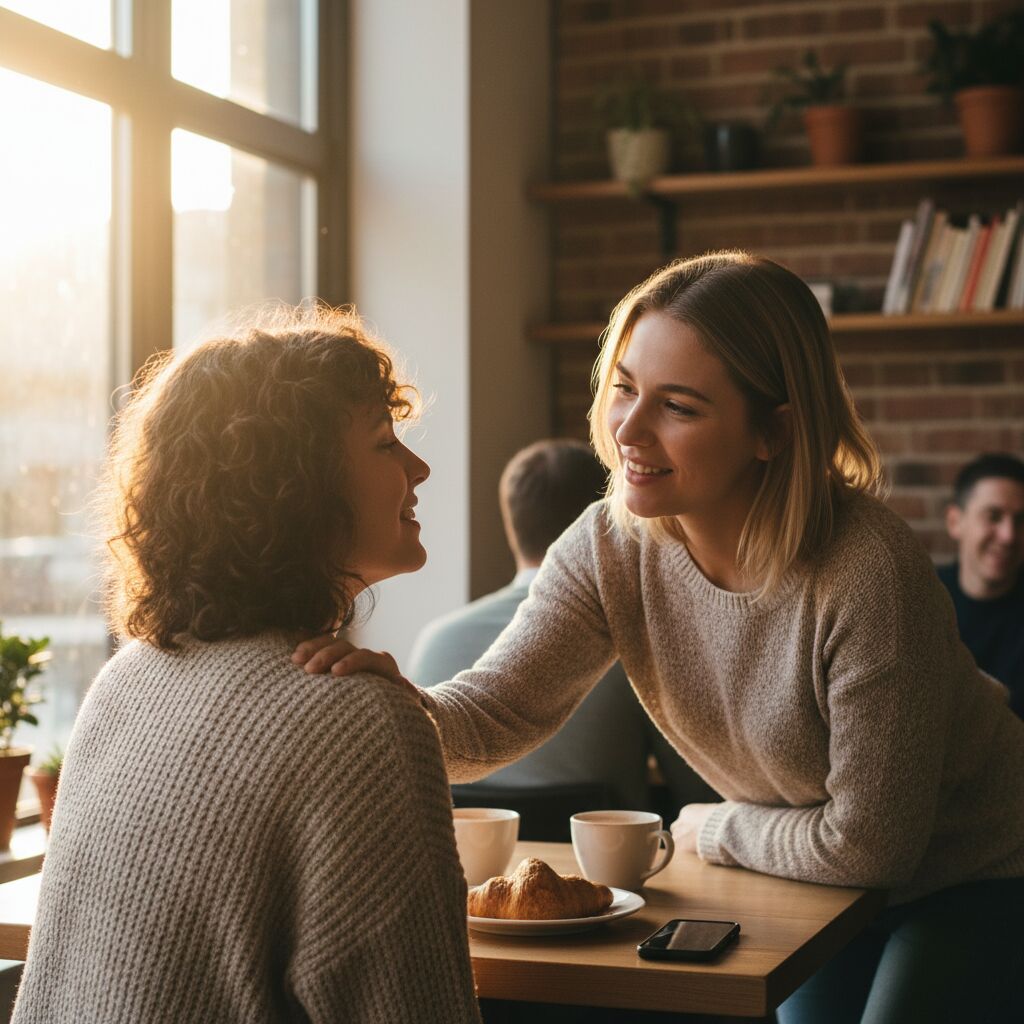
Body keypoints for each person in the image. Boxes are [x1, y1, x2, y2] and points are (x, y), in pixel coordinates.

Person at [298, 252, 1024, 1024]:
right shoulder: (610, 543)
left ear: (773, 431)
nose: (629, 431)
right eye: (624, 389)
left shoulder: (868, 569)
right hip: (813, 880)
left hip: (973, 868)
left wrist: (714, 825)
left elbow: (873, 847)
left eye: (678, 406)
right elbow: (497, 715)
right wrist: (385, 704)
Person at [13, 306, 481, 1024]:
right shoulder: (359, 724)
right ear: (299, 485)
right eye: (387, 442)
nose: (418, 467)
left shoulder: (128, 681)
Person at [408, 438, 716, 821]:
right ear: (607, 509)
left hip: (473, 864)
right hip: (607, 870)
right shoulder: (638, 641)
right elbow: (699, 789)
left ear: (512, 524)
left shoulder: (434, 639)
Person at [938, 452, 1024, 718]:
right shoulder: (922, 600)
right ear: (955, 522)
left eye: (1021, 521)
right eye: (993, 516)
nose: (1009, 536)